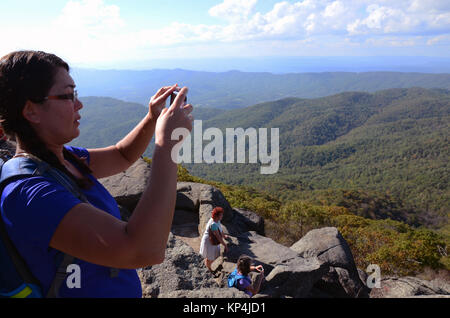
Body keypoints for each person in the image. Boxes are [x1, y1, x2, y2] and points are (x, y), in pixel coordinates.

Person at [0, 50, 193, 297]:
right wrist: (168, 144)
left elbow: (121, 155)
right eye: (68, 95)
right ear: (31, 111)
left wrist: (151, 118)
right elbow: (142, 250)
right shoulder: (30, 194)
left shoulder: (61, 157)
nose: (79, 104)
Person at [199, 207, 228, 272]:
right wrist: (225, 245)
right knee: (211, 257)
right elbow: (218, 236)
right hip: (209, 241)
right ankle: (208, 269)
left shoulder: (217, 220)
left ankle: (207, 265)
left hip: (212, 239)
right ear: (217, 216)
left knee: (212, 256)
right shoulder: (213, 224)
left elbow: (220, 229)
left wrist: (223, 235)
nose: (222, 216)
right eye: (221, 215)